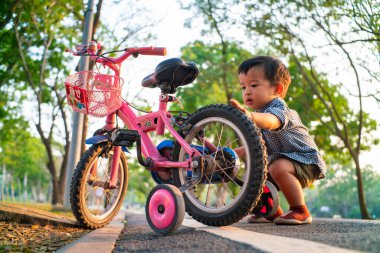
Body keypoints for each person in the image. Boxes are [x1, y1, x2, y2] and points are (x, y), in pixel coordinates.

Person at [230, 56, 326, 225]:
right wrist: (229, 154)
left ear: (278, 89)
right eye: (243, 87)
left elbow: (272, 121)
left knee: (278, 167)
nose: (247, 92)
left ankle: (300, 210)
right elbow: (251, 147)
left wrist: (250, 116)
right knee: (252, 175)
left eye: (254, 85)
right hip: (283, 159)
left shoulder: (278, 109)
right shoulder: (258, 116)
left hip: (305, 159)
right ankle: (272, 211)